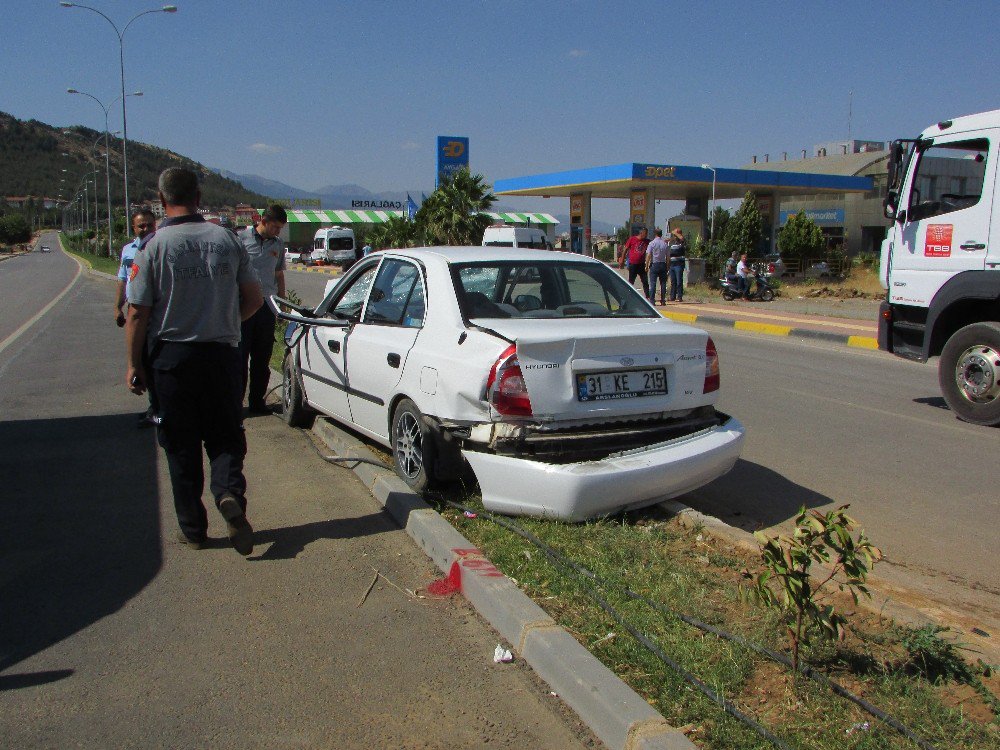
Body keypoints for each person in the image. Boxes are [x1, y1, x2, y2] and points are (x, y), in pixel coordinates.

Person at [126, 167, 263, 555]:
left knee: (180, 446)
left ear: (161, 199)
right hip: (221, 357)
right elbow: (253, 299)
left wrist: (134, 365)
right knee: (225, 436)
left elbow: (137, 312)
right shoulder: (227, 239)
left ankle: (193, 529)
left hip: (172, 360)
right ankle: (229, 493)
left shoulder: (152, 246)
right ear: (199, 196)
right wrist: (223, 321)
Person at [237, 206, 287, 415]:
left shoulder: (278, 245)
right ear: (264, 221)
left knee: (262, 358)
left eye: (280, 228)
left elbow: (279, 275)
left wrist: (282, 305)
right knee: (239, 358)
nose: (278, 232)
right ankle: (235, 404)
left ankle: (257, 401)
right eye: (275, 227)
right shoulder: (240, 239)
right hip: (244, 305)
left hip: (267, 307)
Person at [115, 208, 158, 427]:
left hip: (153, 312)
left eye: (150, 225)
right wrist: (117, 307)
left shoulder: (158, 247)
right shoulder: (128, 251)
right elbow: (123, 280)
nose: (146, 229)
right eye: (141, 225)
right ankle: (154, 406)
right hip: (134, 309)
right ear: (134, 228)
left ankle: (157, 409)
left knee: (153, 362)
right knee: (141, 358)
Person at [618, 227, 650, 298]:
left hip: (641, 264)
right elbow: (625, 249)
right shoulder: (632, 239)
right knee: (631, 281)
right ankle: (629, 296)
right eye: (645, 234)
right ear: (641, 233)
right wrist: (622, 260)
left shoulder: (647, 241)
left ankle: (647, 296)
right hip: (633, 264)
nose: (646, 235)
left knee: (645, 281)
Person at [645, 228, 669, 305]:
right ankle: (663, 300)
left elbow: (648, 255)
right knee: (663, 283)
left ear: (655, 234)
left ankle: (652, 300)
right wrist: (667, 266)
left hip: (654, 264)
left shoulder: (652, 243)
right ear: (661, 234)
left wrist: (646, 265)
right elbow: (668, 257)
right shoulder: (665, 244)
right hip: (662, 264)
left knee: (653, 283)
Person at [668, 228, 687, 303]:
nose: (674, 236)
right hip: (672, 264)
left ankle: (679, 296)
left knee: (679, 281)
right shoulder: (672, 243)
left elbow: (682, 238)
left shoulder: (681, 242)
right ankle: (672, 296)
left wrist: (675, 232)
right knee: (673, 281)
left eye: (676, 234)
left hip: (679, 264)